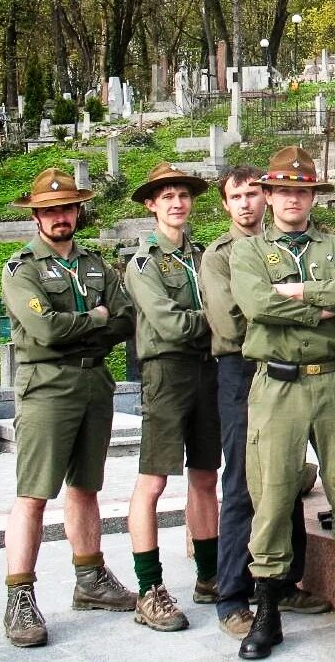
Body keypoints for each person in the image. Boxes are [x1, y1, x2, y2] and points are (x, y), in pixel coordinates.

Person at [229, 146, 335, 659]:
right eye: (284, 191)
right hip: (277, 388)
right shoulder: (249, 250)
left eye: (303, 191)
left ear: (311, 196)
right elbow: (256, 304)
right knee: (273, 495)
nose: (293, 199)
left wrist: (295, 295)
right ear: (270, 195)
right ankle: (268, 608)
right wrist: (320, 303)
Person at [0, 168, 137, 647]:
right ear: (37, 216)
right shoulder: (22, 270)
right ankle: (20, 595)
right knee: (34, 495)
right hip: (47, 387)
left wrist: (89, 322)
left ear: (77, 211)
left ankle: (90, 579)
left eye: (67, 208)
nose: (60, 217)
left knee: (86, 487)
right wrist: (94, 316)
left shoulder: (96, 265)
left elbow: (124, 320)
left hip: (94, 380)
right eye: (50, 210)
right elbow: (46, 331)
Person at [199, 165, 332, 640]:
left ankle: (282, 580)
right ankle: (232, 595)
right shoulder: (219, 257)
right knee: (242, 482)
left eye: (255, 193)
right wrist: (314, 313)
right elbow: (235, 324)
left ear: (269, 198)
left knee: (286, 476)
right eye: (237, 196)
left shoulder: (282, 249)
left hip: (293, 371)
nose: (248, 203)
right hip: (243, 372)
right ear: (226, 204)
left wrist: (277, 310)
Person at [125, 163, 219, 632]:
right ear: (151, 204)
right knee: (154, 482)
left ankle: (209, 574)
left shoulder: (203, 256)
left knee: (205, 476)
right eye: (167, 197)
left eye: (183, 195)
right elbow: (170, 324)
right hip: (166, 372)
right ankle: (150, 588)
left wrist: (204, 316)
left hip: (208, 370)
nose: (177, 203)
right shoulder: (143, 263)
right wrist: (217, 318)